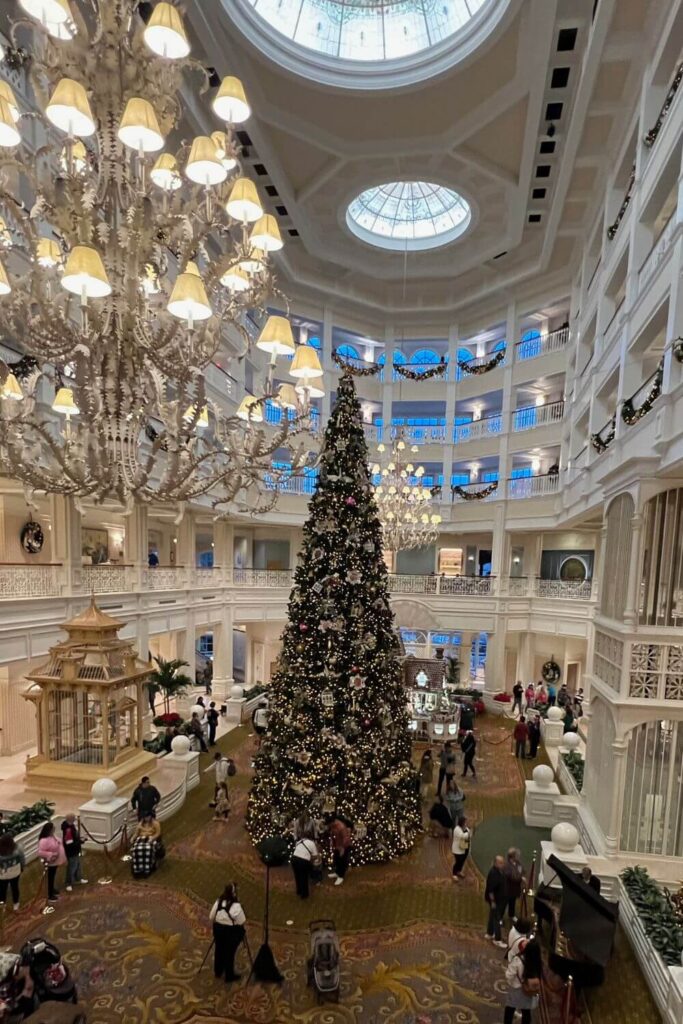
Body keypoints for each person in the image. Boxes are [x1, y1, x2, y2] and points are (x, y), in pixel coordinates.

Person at [209, 882, 246, 982]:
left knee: (219, 950)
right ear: (234, 893)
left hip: (218, 931)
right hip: (230, 933)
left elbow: (211, 917)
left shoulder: (218, 902)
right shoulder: (236, 907)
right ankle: (229, 975)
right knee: (230, 953)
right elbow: (242, 921)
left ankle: (218, 971)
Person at [503, 936, 543, 1024]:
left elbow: (508, 975)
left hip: (516, 989)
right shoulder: (538, 962)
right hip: (528, 991)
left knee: (509, 1010)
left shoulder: (518, 960)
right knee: (526, 1011)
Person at [38, 822, 66, 903]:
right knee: (50, 878)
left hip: (55, 861)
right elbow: (40, 852)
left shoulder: (52, 836)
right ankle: (50, 895)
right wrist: (52, 854)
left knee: (53, 877)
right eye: (53, 828)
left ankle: (52, 889)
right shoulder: (43, 840)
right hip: (51, 862)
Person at [484, 855, 508, 946]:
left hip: (499, 899)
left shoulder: (499, 871)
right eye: (500, 863)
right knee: (497, 919)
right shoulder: (494, 874)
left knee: (492, 916)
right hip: (496, 901)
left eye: (503, 862)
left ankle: (489, 933)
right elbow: (490, 890)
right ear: (495, 863)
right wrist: (493, 902)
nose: (503, 864)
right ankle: (497, 939)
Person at [61, 813, 88, 892]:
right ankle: (68, 883)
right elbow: (69, 843)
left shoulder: (71, 826)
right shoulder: (68, 829)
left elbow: (74, 838)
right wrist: (80, 841)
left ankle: (78, 879)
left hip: (75, 850)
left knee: (77, 865)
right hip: (71, 852)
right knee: (71, 867)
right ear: (71, 819)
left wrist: (79, 840)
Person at [0, 832, 25, 911]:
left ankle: (3, 904)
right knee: (15, 888)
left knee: (2, 889)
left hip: (3, 874)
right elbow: (22, 859)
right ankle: (16, 904)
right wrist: (22, 868)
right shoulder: (17, 849)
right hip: (15, 872)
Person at [291, 830, 320, 899]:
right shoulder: (311, 843)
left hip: (294, 859)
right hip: (303, 861)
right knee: (304, 877)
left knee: (297, 876)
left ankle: (299, 891)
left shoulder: (299, 842)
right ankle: (304, 895)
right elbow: (315, 856)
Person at [328, 818, 353, 886]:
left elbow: (346, 838)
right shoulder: (332, 826)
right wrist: (332, 842)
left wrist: (342, 849)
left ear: (332, 822)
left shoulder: (341, 827)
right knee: (336, 859)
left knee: (342, 861)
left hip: (344, 846)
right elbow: (332, 834)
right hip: (338, 845)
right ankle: (337, 873)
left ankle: (341, 876)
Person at [503, 847, 525, 922]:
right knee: (503, 904)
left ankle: (511, 915)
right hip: (507, 889)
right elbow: (512, 876)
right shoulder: (506, 865)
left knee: (512, 903)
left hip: (515, 889)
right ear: (512, 856)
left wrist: (522, 875)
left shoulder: (518, 863)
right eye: (517, 855)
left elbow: (522, 871)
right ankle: (499, 918)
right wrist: (521, 878)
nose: (519, 856)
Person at [451, 816, 471, 881]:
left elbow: (468, 834)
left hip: (465, 847)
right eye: (465, 822)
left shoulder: (465, 828)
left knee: (462, 861)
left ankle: (459, 871)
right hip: (458, 850)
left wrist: (469, 833)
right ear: (462, 823)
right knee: (458, 862)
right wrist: (469, 834)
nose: (466, 823)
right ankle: (454, 874)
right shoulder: (457, 829)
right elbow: (462, 836)